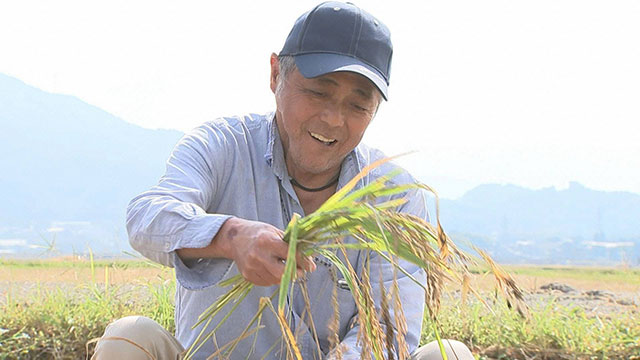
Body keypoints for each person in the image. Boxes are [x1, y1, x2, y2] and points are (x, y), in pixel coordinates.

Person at [92, 2, 474, 359]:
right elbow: (147, 218)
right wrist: (231, 237)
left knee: (449, 354)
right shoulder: (222, 146)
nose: (334, 120)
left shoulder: (394, 195)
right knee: (129, 338)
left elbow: (389, 332)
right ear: (275, 74)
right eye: (318, 92)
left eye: (358, 105)